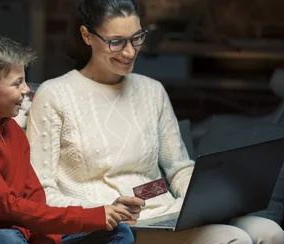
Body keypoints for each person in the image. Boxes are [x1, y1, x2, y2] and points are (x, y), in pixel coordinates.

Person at [25, 0, 284, 243]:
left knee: (269, 231)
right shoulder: (55, 95)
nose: (129, 52)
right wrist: (104, 211)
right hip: (114, 226)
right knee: (229, 238)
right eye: (116, 42)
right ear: (87, 36)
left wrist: (210, 198)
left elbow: (179, 168)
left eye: (137, 37)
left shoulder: (152, 91)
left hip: (165, 212)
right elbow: (41, 192)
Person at [0, 31, 138, 244]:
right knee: (7, 238)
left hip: (23, 231)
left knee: (118, 232)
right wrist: (89, 216)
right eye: (17, 83)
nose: (27, 89)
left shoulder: (13, 130)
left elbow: (35, 199)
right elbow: (6, 208)